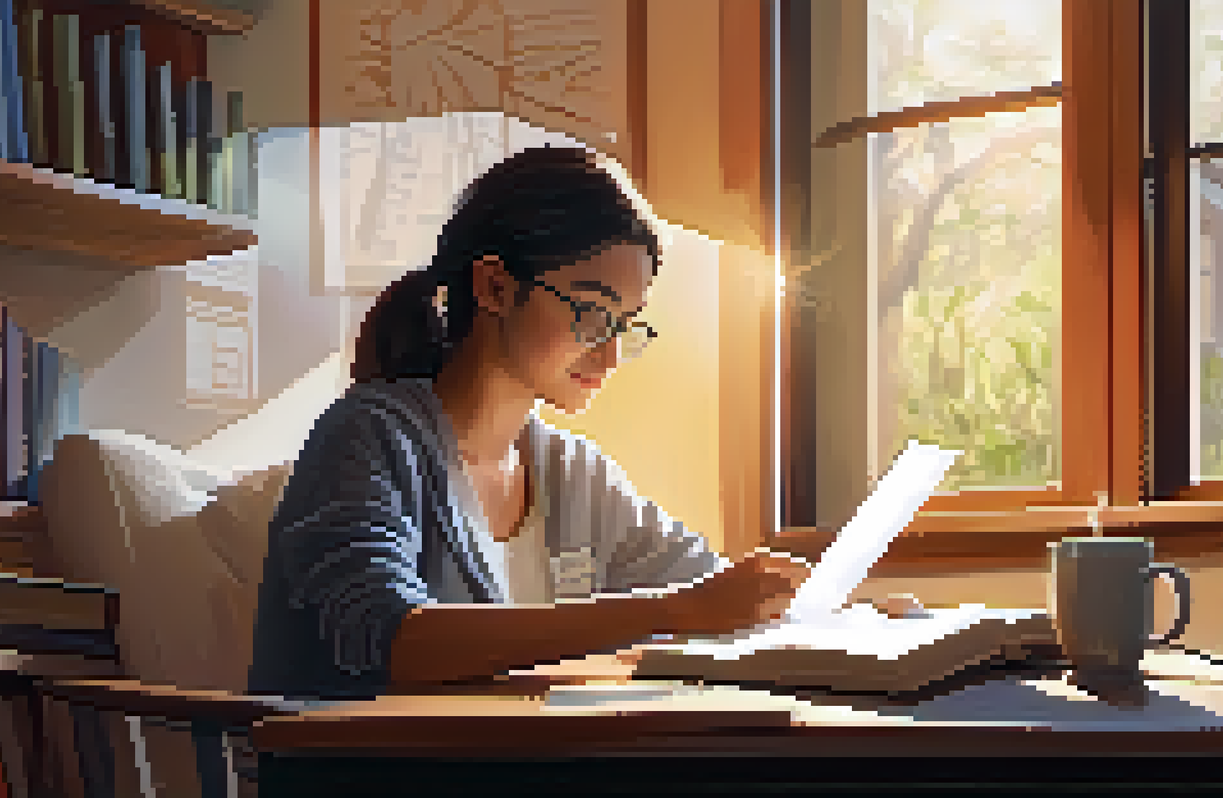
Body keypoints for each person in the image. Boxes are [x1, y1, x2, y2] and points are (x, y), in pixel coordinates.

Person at [247, 146, 809, 700]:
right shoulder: (370, 438)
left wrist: (785, 589)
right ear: (494, 287)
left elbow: (709, 591)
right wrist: (674, 611)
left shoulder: (576, 475)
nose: (611, 355)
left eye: (625, 325)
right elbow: (391, 641)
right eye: (592, 313)